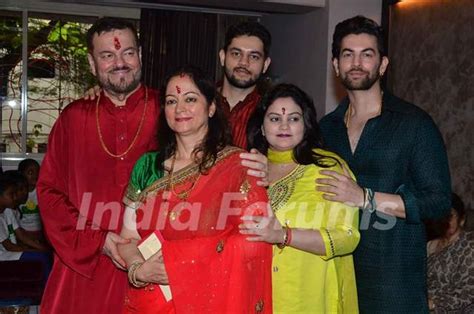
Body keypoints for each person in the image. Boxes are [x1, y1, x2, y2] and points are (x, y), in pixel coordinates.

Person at [318, 16, 451, 313]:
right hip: (335, 277)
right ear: (335, 65)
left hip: (394, 286)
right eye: (347, 54)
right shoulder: (325, 130)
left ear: (383, 64)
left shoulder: (414, 124)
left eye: (367, 54)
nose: (357, 63)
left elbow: (438, 202)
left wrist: (365, 198)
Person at [118, 65, 272, 313]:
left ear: (211, 107)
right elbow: (128, 237)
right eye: (171, 101)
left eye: (190, 99)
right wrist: (138, 268)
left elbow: (252, 243)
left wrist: (182, 265)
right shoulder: (147, 167)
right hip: (151, 298)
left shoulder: (238, 167)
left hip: (212, 302)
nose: (180, 109)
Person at [242, 83, 359, 313]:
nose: (284, 125)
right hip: (255, 292)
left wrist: (284, 235)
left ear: (306, 124)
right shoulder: (249, 168)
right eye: (274, 119)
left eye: (293, 119)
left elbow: (347, 236)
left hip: (306, 295)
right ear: (262, 128)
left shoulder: (327, 168)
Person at [218, 20, 272, 148]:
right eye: (236, 54)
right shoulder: (198, 103)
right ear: (222, 57)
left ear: (265, 65)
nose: (244, 63)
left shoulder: (271, 112)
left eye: (254, 57)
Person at [427, 193, 474, 312]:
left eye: (450, 216)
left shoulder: (469, 245)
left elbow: (469, 292)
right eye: (442, 216)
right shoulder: (429, 244)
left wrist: (433, 303)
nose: (446, 221)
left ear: (461, 220)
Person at [17, 159, 42, 234]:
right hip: (22, 230)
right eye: (30, 173)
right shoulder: (16, 193)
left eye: (38, 172)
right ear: (21, 174)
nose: (35, 175)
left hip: (40, 231)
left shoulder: (41, 191)